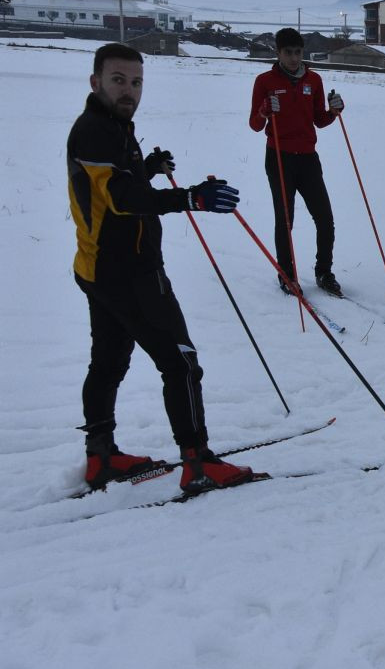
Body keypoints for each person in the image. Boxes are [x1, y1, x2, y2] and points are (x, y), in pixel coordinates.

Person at [68, 43, 256, 494]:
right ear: (96, 82)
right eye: (118, 80)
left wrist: (146, 167)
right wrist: (190, 198)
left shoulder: (113, 125)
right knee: (181, 364)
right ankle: (198, 463)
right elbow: (122, 199)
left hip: (100, 270)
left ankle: (101, 457)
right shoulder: (96, 131)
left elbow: (119, 183)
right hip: (131, 273)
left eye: (135, 82)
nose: (128, 90)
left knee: (109, 362)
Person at [248, 27, 345, 296]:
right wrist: (264, 111)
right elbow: (255, 125)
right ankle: (286, 274)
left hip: (308, 158)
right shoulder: (265, 81)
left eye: (298, 52)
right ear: (278, 53)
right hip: (279, 156)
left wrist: (334, 112)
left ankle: (324, 271)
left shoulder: (313, 80)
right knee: (285, 219)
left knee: (325, 218)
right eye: (288, 52)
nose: (293, 58)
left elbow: (319, 119)